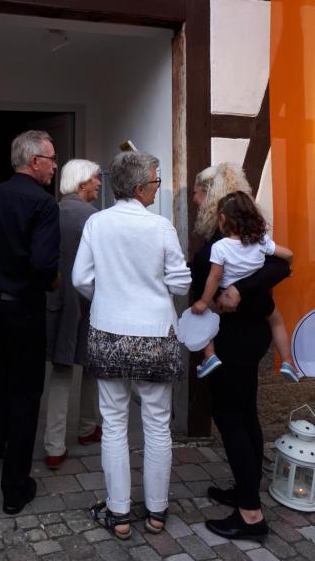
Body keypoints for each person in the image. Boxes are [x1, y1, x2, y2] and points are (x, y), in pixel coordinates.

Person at [72, 151, 191, 540]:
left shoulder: (97, 223)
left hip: (108, 331)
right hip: (155, 334)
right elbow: (180, 285)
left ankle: (119, 514)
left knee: (114, 425)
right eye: (156, 182)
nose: (158, 189)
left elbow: (80, 279)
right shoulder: (161, 228)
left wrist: (110, 296)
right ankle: (156, 514)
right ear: (139, 187)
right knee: (157, 425)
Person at [191, 163, 291, 541]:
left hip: (231, 344)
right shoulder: (252, 242)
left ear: (213, 200)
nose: (196, 200)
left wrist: (231, 292)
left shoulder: (219, 248)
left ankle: (250, 514)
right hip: (252, 339)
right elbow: (279, 264)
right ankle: (245, 488)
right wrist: (245, 290)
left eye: (200, 194)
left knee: (230, 418)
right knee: (245, 414)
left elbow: (282, 266)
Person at [0, 130, 60, 515]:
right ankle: (15, 486)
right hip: (24, 309)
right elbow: (43, 265)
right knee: (26, 393)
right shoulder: (43, 204)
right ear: (34, 161)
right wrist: (53, 280)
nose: (55, 166)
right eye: (52, 159)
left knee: (0, 374)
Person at [191, 190, 298, 381]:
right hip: (259, 301)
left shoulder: (220, 247)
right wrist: (287, 266)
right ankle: (288, 362)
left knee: (205, 319)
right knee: (277, 321)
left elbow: (214, 277)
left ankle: (210, 356)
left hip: (227, 302)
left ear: (222, 219)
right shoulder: (260, 240)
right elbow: (288, 254)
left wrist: (204, 301)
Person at [44, 159, 103, 470]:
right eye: (95, 179)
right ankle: (87, 427)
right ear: (82, 183)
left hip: (57, 302)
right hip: (89, 302)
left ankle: (54, 445)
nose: (99, 184)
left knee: (62, 369)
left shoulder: (50, 212)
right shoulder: (94, 219)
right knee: (92, 365)